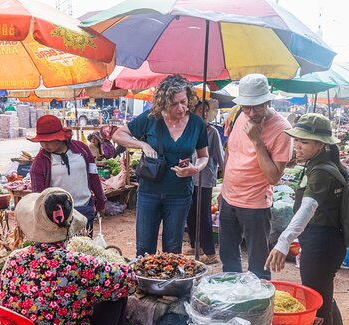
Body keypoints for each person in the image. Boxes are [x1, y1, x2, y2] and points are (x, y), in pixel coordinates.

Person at [0, 188, 137, 325]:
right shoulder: (78, 265)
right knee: (117, 291)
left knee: (95, 292)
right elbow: (130, 281)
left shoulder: (14, 259)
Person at [266, 113, 348, 325]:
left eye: (305, 142)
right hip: (323, 241)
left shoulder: (322, 172)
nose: (298, 146)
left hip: (323, 243)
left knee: (318, 306)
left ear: (321, 145)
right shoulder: (319, 165)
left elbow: (309, 207)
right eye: (297, 140)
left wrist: (284, 240)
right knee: (325, 295)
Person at [113, 74, 209, 256]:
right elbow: (119, 134)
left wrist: (195, 168)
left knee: (173, 250)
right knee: (144, 248)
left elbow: (204, 156)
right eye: (174, 104)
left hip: (180, 194)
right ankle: (145, 284)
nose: (180, 108)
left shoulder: (197, 123)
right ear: (163, 103)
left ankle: (169, 285)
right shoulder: (151, 118)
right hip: (149, 192)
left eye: (183, 101)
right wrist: (143, 144)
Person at [218, 74, 291, 280]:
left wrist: (257, 141)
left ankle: (255, 310)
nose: (250, 112)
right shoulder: (238, 116)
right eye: (246, 106)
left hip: (255, 205)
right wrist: (223, 189)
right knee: (229, 259)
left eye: (256, 107)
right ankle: (231, 300)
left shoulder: (282, 129)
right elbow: (230, 153)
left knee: (258, 266)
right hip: (229, 199)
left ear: (268, 101)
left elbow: (273, 177)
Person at [29, 115, 105, 235]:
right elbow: (38, 195)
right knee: (63, 252)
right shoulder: (40, 161)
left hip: (84, 209)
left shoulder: (82, 150)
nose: (43, 145)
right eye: (41, 141)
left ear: (60, 137)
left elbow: (93, 177)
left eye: (47, 141)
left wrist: (101, 201)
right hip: (58, 216)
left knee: (85, 249)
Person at [184, 100, 224, 264]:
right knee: (190, 213)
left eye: (206, 111)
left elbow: (220, 157)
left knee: (204, 215)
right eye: (201, 110)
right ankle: (195, 245)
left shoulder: (212, 132)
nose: (204, 114)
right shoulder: (188, 130)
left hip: (205, 179)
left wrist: (226, 177)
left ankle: (210, 253)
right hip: (188, 178)